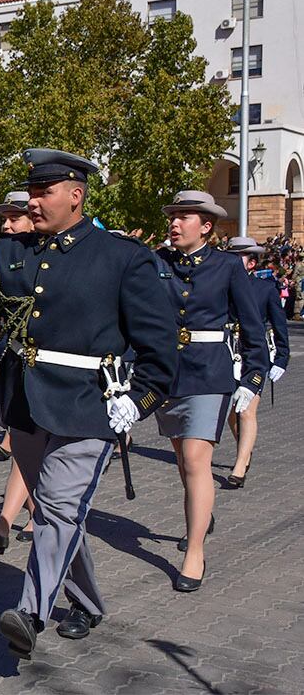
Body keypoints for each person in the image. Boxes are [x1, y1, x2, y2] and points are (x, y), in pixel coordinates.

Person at [0, 149, 176, 658]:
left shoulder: (123, 258)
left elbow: (160, 351)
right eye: (33, 192)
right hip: (27, 400)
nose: (34, 201)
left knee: (61, 507)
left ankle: (30, 612)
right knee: (54, 510)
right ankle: (88, 602)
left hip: (88, 405)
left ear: (76, 194)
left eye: (45, 192)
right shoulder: (13, 252)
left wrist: (138, 401)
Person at [153, 192, 267, 592]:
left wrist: (253, 376)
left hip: (209, 372)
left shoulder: (227, 267)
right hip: (167, 375)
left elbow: (252, 325)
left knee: (196, 459)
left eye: (185, 216)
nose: (175, 222)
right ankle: (203, 515)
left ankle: (194, 551)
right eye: (173, 215)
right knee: (184, 464)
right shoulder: (157, 263)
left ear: (206, 226)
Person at [0, 191, 38, 553]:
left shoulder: (50, 256)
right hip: (13, 361)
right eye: (4, 218)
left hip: (52, 373)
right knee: (24, 443)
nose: (6, 225)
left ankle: (7, 519)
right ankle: (21, 516)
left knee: (32, 447)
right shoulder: (1, 256)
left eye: (15, 218)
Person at [223, 236, 290, 489]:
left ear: (251, 263)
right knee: (230, 410)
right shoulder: (221, 286)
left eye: (237, 257)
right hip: (227, 352)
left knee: (247, 410)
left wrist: (281, 358)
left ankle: (240, 466)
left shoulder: (265, 289)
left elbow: (279, 325)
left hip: (254, 353)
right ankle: (245, 447)